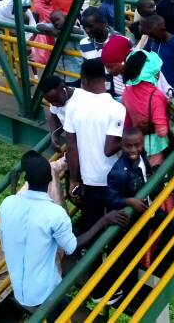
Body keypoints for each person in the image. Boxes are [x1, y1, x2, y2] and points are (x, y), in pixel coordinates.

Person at [0, 151, 128, 318]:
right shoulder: (54, 213)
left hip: (19, 288)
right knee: (59, 310)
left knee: (61, 308)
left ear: (27, 180)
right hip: (46, 292)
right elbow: (72, 247)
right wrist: (104, 221)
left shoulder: (7, 203)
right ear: (50, 179)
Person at [105, 128, 174, 297]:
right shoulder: (118, 172)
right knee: (133, 255)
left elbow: (146, 174)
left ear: (142, 144)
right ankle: (129, 291)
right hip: (134, 219)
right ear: (122, 146)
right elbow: (111, 200)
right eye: (128, 146)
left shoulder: (142, 157)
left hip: (149, 211)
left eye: (136, 145)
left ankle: (161, 262)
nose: (133, 150)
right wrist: (129, 201)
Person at [63, 59, 126, 234]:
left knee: (91, 229)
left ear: (84, 80)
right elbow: (111, 147)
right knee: (116, 230)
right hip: (114, 180)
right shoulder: (117, 108)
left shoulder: (73, 106)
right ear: (104, 78)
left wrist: (74, 180)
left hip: (88, 180)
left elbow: (71, 146)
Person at [121, 50, 172, 166]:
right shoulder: (156, 95)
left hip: (135, 145)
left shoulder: (126, 92)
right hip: (154, 147)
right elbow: (162, 131)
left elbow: (127, 123)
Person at [33, 10, 84, 83]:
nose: (56, 23)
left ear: (64, 17)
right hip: (60, 70)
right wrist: (52, 30)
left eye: (57, 20)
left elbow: (80, 32)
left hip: (74, 69)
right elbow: (38, 26)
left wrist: (61, 31)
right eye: (53, 22)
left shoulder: (72, 26)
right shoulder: (54, 27)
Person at [141, 14, 174, 89]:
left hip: (172, 88)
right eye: (149, 36)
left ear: (162, 29)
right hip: (154, 86)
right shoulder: (152, 39)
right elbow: (143, 55)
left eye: (153, 36)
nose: (152, 38)